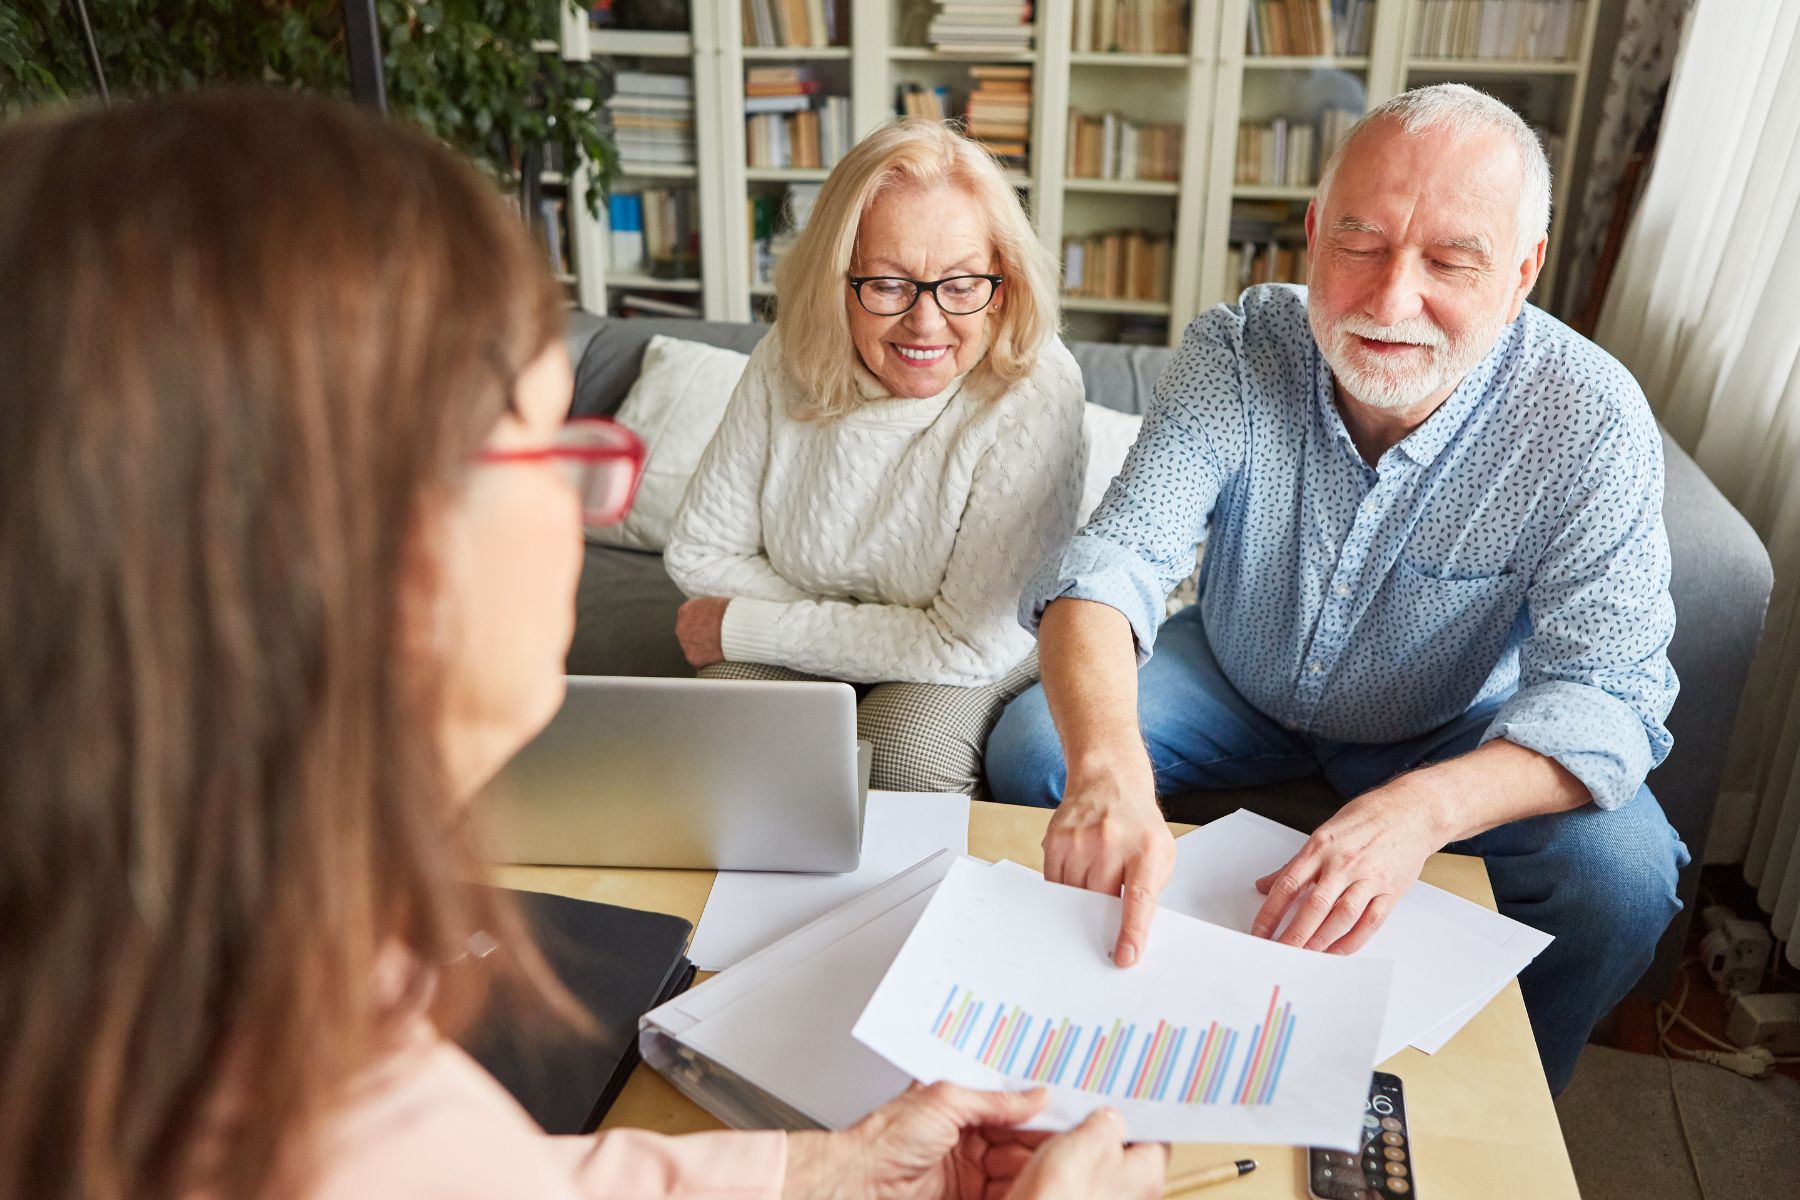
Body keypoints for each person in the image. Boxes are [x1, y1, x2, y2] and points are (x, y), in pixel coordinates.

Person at [0, 90, 1166, 1200]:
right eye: (540, 444)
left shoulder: (223, 985)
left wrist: (829, 1168)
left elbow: (475, 1180)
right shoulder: (262, 1058)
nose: (589, 501)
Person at [984, 84, 1687, 1094]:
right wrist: (1106, 769)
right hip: (1232, 672)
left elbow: (1610, 696)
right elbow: (1114, 565)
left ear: (1524, 270)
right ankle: (1121, 1024)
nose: (1391, 299)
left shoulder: (1592, 419)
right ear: (1313, 233)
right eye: (1360, 243)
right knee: (1039, 748)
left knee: (1622, 877)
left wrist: (1422, 809)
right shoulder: (1237, 348)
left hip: (1451, 721)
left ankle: (1487, 1099)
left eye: (1451, 260)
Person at [663, 117, 1085, 797]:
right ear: (839, 279)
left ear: (1001, 282)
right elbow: (699, 555)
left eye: (960, 284)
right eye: (888, 285)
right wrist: (863, 633)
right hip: (903, 631)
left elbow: (965, 642)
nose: (926, 322)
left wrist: (751, 626)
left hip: (987, 638)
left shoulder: (1037, 384)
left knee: (906, 753)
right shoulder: (787, 356)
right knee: (728, 726)